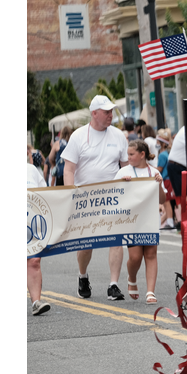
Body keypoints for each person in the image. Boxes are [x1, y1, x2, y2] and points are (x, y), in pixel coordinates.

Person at [61, 95, 129, 301]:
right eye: (106, 112)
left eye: (111, 111)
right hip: (86, 199)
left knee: (116, 240)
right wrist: (70, 193)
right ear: (94, 114)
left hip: (113, 197)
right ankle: (83, 276)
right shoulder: (79, 136)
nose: (110, 115)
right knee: (86, 244)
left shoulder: (118, 136)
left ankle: (113, 284)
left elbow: (126, 167)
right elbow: (69, 168)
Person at [115, 140, 167, 304]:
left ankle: (150, 291)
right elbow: (114, 196)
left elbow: (162, 199)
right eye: (128, 154)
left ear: (142, 154)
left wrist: (159, 184)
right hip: (132, 219)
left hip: (150, 218)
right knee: (135, 257)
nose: (128, 157)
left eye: (131, 154)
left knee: (151, 254)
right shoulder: (123, 171)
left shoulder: (153, 172)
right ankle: (132, 277)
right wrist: (124, 185)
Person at [27, 162, 51, 315]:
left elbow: (45, 192)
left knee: (34, 261)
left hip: (32, 221)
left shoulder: (31, 169)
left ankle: (36, 302)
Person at [155, 128, 175, 230]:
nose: (156, 143)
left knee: (166, 202)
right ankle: (169, 220)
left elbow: (159, 168)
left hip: (166, 179)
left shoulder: (163, 155)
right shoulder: (165, 153)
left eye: (158, 141)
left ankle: (170, 221)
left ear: (162, 143)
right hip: (168, 179)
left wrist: (148, 167)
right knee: (167, 202)